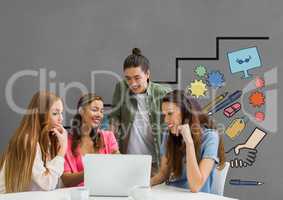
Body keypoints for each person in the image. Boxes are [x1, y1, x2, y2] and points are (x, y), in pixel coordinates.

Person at [151, 90, 225, 193]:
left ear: (186, 113)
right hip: (171, 194)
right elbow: (164, 173)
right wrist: (145, 184)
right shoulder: (168, 135)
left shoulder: (210, 137)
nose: (166, 120)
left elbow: (195, 186)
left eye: (170, 114)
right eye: (164, 115)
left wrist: (189, 142)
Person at [110, 48, 171, 172]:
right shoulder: (121, 88)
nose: (132, 83)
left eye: (137, 78)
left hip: (156, 162)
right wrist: (111, 142)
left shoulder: (163, 93)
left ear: (147, 74)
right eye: (128, 78)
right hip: (127, 160)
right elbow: (115, 117)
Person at [0, 91, 67, 193]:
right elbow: (47, 183)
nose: (61, 118)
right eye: (55, 113)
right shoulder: (27, 140)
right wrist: (62, 149)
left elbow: (54, 184)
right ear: (40, 115)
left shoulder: (45, 140)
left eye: (61, 113)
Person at [62, 93, 119, 187]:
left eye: (101, 111)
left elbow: (119, 162)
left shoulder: (108, 137)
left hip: (105, 190)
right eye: (94, 110)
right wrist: (90, 171)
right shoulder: (66, 142)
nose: (99, 115)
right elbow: (66, 180)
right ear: (81, 111)